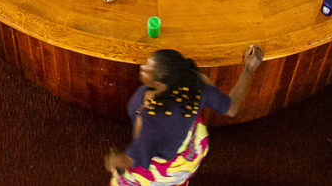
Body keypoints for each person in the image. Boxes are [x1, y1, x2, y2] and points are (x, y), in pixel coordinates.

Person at [104, 45, 262, 186]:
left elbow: (135, 158)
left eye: (147, 68)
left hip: (163, 170)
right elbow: (232, 108)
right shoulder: (195, 83)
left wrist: (116, 160)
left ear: (159, 85)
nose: (142, 67)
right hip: (189, 151)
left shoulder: (151, 122)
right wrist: (248, 68)